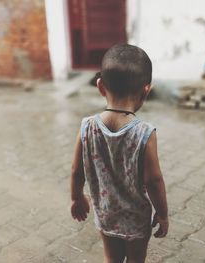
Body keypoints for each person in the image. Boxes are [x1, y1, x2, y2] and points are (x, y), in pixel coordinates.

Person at [70, 43, 168, 263]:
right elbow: (154, 180)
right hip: (136, 218)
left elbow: (77, 171)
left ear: (100, 87)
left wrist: (77, 197)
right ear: (146, 90)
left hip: (105, 214)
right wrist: (162, 213)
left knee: (111, 259)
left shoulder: (87, 127)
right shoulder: (144, 133)